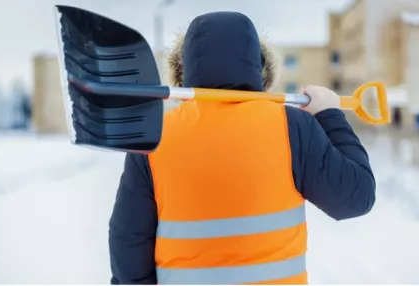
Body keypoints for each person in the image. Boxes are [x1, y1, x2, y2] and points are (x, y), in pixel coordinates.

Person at [109, 11, 376, 285]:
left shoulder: (156, 137)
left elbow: (128, 245)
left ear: (181, 69)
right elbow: (355, 198)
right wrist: (329, 114)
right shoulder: (291, 126)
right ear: (260, 67)